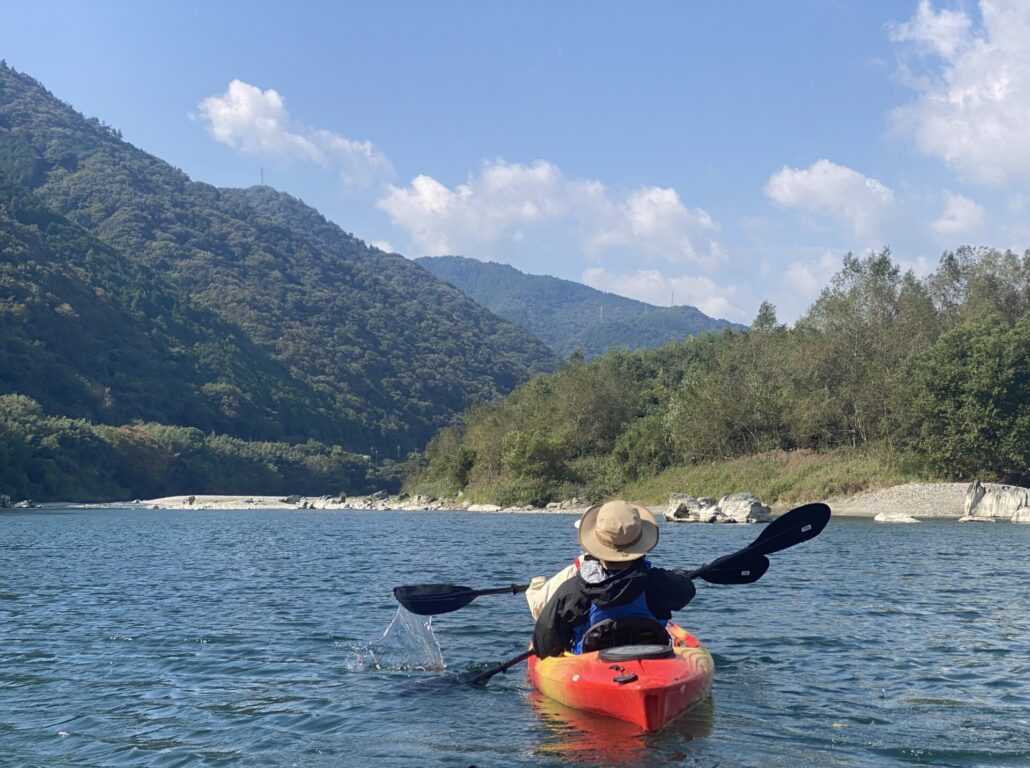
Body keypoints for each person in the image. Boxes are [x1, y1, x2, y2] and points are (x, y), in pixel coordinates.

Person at [532, 499, 696, 658]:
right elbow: (687, 591)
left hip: (592, 668)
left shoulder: (573, 591)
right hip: (653, 659)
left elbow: (543, 646)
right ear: (640, 543)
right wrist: (679, 576)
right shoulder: (658, 582)